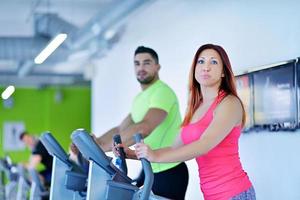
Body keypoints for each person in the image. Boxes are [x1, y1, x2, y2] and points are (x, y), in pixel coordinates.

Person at [133, 44, 256, 200]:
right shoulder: (195, 108)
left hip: (234, 193)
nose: (206, 67)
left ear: (224, 72)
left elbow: (205, 144)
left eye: (214, 62)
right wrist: (136, 153)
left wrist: (155, 156)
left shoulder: (229, 103)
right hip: (211, 195)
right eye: (201, 61)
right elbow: (173, 147)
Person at [95, 46, 189, 200]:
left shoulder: (162, 92)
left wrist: (103, 148)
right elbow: (120, 128)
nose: (141, 68)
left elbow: (144, 128)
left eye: (146, 63)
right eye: (137, 64)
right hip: (150, 168)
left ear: (157, 67)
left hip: (169, 170)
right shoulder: (140, 98)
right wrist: (96, 142)